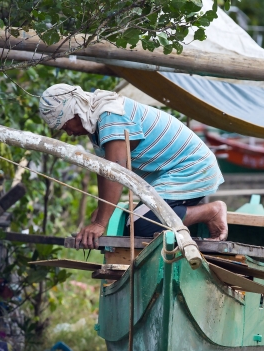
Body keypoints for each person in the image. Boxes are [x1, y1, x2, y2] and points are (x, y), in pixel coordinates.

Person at [39, 84, 228, 248]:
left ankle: (212, 212)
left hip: (192, 168)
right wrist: (102, 214)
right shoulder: (96, 118)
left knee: (141, 224)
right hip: (176, 172)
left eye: (66, 126)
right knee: (122, 220)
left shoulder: (111, 115)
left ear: (76, 110)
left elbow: (116, 173)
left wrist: (100, 223)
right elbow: (104, 170)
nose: (69, 133)